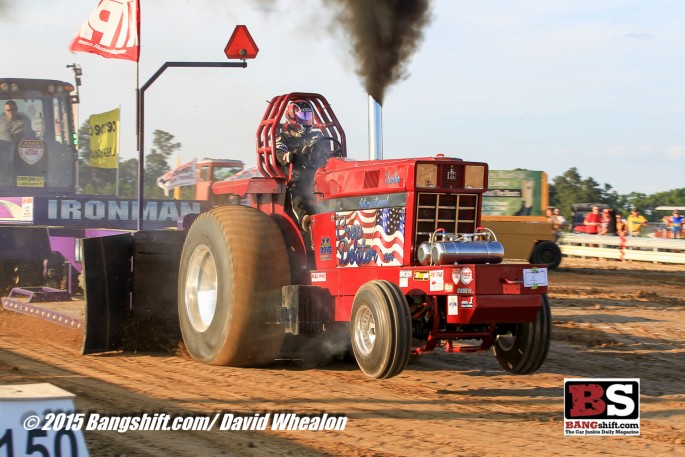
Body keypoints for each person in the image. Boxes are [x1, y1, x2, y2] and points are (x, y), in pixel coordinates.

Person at [275, 100, 324, 231]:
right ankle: (305, 220)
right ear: (292, 117)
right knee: (297, 194)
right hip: (296, 178)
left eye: (309, 117)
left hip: (317, 175)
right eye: (303, 117)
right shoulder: (284, 138)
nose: (307, 121)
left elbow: (326, 150)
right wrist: (288, 156)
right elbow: (280, 152)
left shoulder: (316, 135)